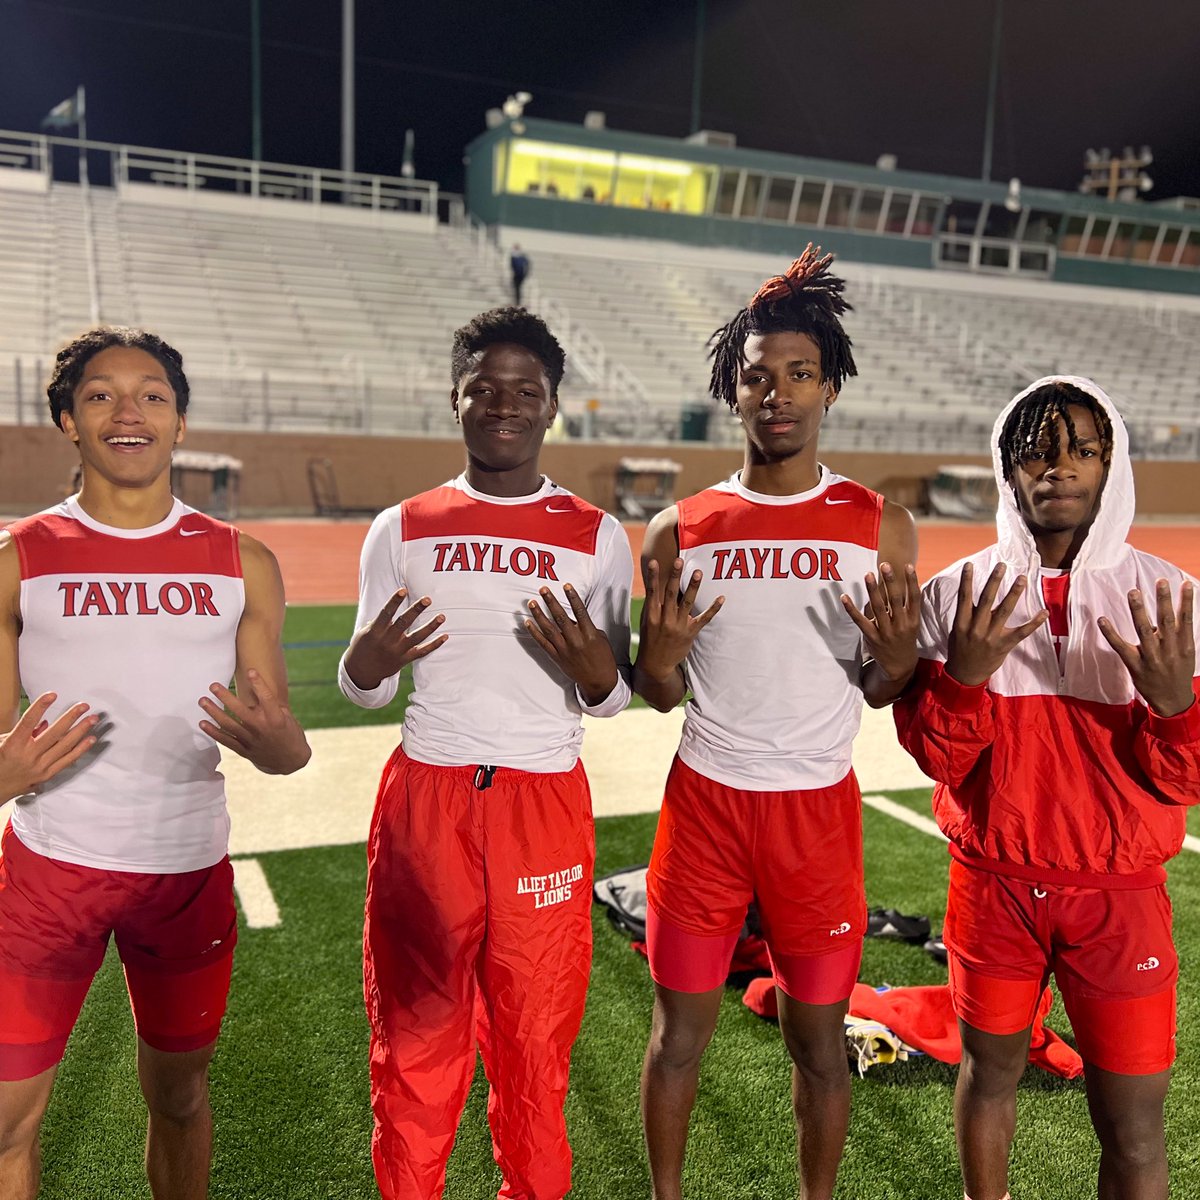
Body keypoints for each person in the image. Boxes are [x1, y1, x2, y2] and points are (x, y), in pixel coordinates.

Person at [634, 246, 920, 1200]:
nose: (778, 392)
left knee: (818, 1040)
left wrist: (904, 659)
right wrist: (660, 662)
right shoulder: (682, 527)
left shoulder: (879, 524)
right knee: (679, 1034)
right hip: (707, 806)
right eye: (758, 374)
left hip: (816, 814)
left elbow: (884, 689)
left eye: (799, 373)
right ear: (733, 389)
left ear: (829, 387)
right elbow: (660, 689)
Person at [0, 326, 311, 1200]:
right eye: (100, 395)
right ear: (67, 420)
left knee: (178, 1096)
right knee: (4, 1124)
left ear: (180, 421)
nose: (128, 412)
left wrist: (285, 750)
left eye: (153, 396)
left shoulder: (241, 561)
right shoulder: (19, 558)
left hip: (184, 872)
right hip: (47, 875)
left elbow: (282, 740)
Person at [339, 306, 633, 1200]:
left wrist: (595, 673)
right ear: (456, 399)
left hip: (540, 804)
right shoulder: (402, 526)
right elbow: (364, 687)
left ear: (552, 409)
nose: (504, 405)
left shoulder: (596, 535)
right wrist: (370, 662)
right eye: (486, 388)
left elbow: (614, 695)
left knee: (534, 1038)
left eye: (526, 392)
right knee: (417, 1036)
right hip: (426, 801)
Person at [894, 376, 1199, 1200]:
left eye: (1081, 450)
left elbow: (1188, 778)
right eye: (1034, 449)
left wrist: (1177, 708)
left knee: (1134, 1128)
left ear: (1113, 464)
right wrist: (963, 678)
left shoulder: (1173, 601)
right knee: (988, 1075)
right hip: (993, 888)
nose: (1056, 467)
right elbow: (937, 757)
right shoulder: (956, 593)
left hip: (1119, 896)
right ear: (1006, 468)